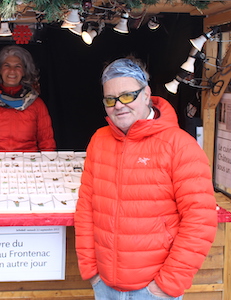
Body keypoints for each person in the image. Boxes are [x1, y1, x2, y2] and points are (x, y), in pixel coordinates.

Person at [74, 56, 218, 300]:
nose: (118, 105)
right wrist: (92, 271)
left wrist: (166, 286)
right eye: (110, 99)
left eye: (127, 95)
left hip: (153, 291)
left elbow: (200, 221)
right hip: (105, 286)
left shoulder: (180, 145)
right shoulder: (99, 140)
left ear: (146, 93)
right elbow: (86, 208)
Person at [0, 45, 56, 152]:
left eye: (18, 66)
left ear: (24, 71)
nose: (12, 71)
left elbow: (47, 143)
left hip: (27, 165)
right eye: (7, 65)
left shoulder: (37, 104)